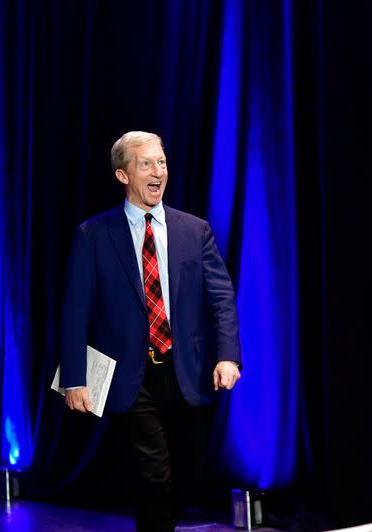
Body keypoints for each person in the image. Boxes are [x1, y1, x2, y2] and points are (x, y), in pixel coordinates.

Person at [59, 131, 242, 531]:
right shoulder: (94, 235)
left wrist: (228, 354)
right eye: (147, 164)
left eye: (161, 162)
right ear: (124, 175)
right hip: (132, 374)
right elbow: (75, 312)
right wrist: (74, 378)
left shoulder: (194, 231)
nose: (158, 171)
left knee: (184, 475)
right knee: (153, 475)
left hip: (186, 372)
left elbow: (221, 298)